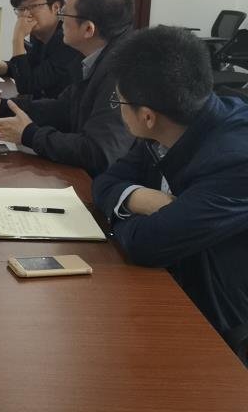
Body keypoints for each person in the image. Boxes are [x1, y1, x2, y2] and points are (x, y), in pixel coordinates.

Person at [93, 26, 248, 365]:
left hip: (217, 327)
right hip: (174, 283)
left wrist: (124, 218)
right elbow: (105, 182)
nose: (118, 109)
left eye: (118, 101)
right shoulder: (172, 123)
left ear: (146, 116)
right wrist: (140, 199)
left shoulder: (237, 161)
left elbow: (147, 244)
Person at [0, 0, 135, 177]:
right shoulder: (94, 57)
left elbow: (98, 153)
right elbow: (64, 108)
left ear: (88, 29)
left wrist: (28, 134)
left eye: (64, 12)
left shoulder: (121, 72)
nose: (60, 18)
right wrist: (1, 106)